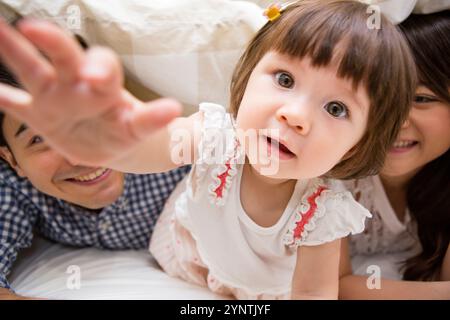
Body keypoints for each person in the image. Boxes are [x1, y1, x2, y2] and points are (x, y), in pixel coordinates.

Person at [0, 0, 416, 299]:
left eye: (337, 108)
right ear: (247, 77)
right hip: (185, 253)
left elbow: (313, 292)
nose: (295, 115)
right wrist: (100, 137)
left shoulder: (325, 213)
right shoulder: (215, 136)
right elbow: (153, 149)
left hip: (262, 291)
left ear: (357, 146)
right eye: (285, 80)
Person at [0, 62, 190, 299]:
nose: (78, 154)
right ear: (12, 160)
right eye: (39, 138)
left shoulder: (178, 153)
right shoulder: (12, 187)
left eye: (84, 119)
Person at [339, 10, 450, 299]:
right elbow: (331, 285)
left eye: (421, 99)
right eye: (378, 97)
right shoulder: (329, 172)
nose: (396, 121)